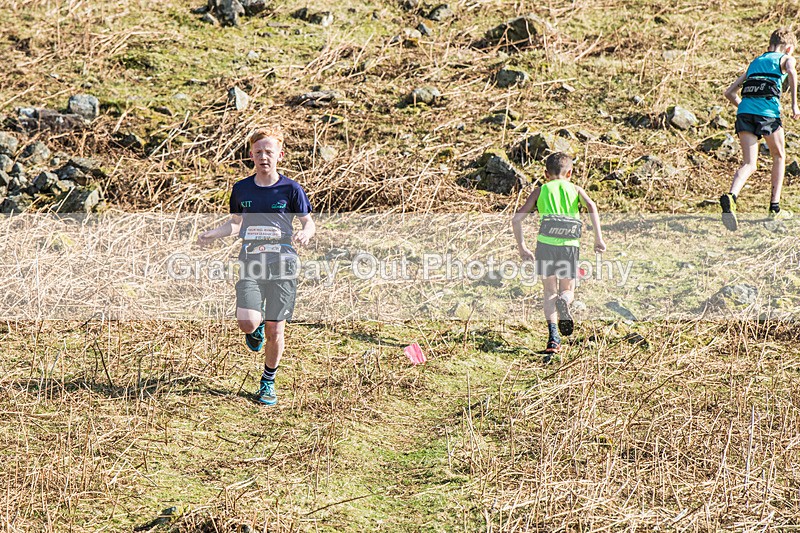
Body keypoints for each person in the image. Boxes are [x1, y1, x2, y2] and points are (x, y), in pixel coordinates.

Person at [198, 126, 315, 405]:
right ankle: (256, 328)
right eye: (258, 152)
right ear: (251, 155)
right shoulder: (241, 188)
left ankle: (268, 382)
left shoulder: (291, 188)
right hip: (251, 261)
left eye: (269, 152)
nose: (264, 157)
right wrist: (214, 233)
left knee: (277, 330)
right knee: (247, 322)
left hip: (284, 264)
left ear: (279, 155)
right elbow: (236, 223)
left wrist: (305, 233)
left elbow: (307, 221)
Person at [512, 152, 606, 359]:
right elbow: (592, 206)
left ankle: (553, 338)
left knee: (548, 292)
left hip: (545, 246)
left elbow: (517, 219)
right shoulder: (575, 189)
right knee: (567, 289)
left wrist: (522, 248)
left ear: (546, 174)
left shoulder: (540, 190)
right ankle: (565, 300)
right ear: (570, 173)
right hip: (569, 247)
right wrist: (597, 238)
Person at [721, 27, 800, 230]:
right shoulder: (786, 59)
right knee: (779, 155)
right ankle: (774, 207)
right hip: (768, 113)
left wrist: (746, 108)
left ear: (769, 45)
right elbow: (792, 71)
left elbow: (729, 92)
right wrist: (794, 104)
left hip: (744, 113)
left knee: (749, 163)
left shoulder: (755, 62)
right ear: (789, 48)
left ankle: (731, 196)